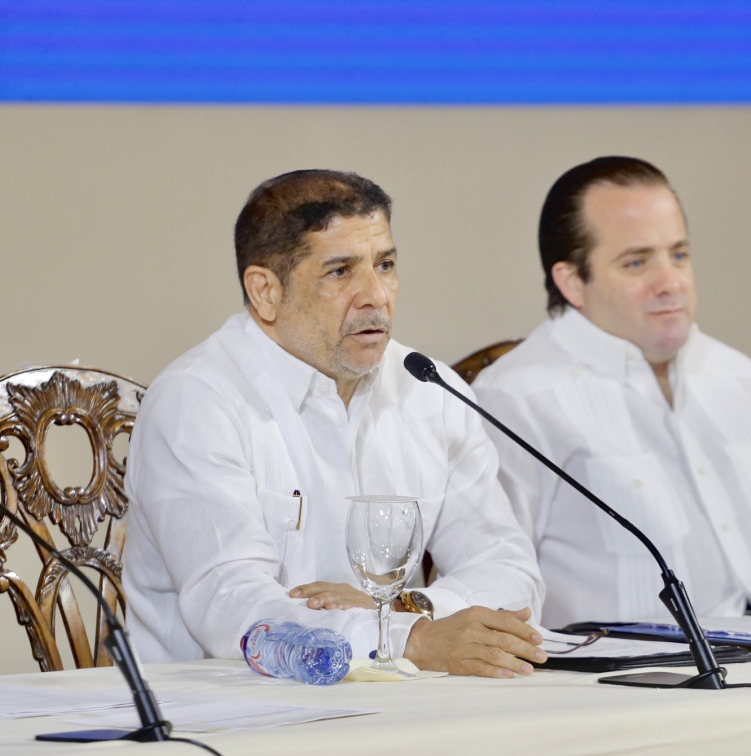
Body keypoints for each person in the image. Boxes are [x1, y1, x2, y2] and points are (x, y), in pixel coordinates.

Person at [124, 169, 547, 678]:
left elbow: (511, 571)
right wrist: (405, 640)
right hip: (223, 709)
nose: (376, 295)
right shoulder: (198, 401)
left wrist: (407, 610)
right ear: (265, 291)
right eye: (340, 272)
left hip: (404, 703)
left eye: (385, 265)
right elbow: (233, 608)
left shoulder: (429, 390)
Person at [472, 156, 751, 627]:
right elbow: (497, 593)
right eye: (637, 262)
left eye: (678, 255)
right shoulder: (517, 400)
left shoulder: (744, 381)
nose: (671, 283)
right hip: (632, 667)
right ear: (573, 282)